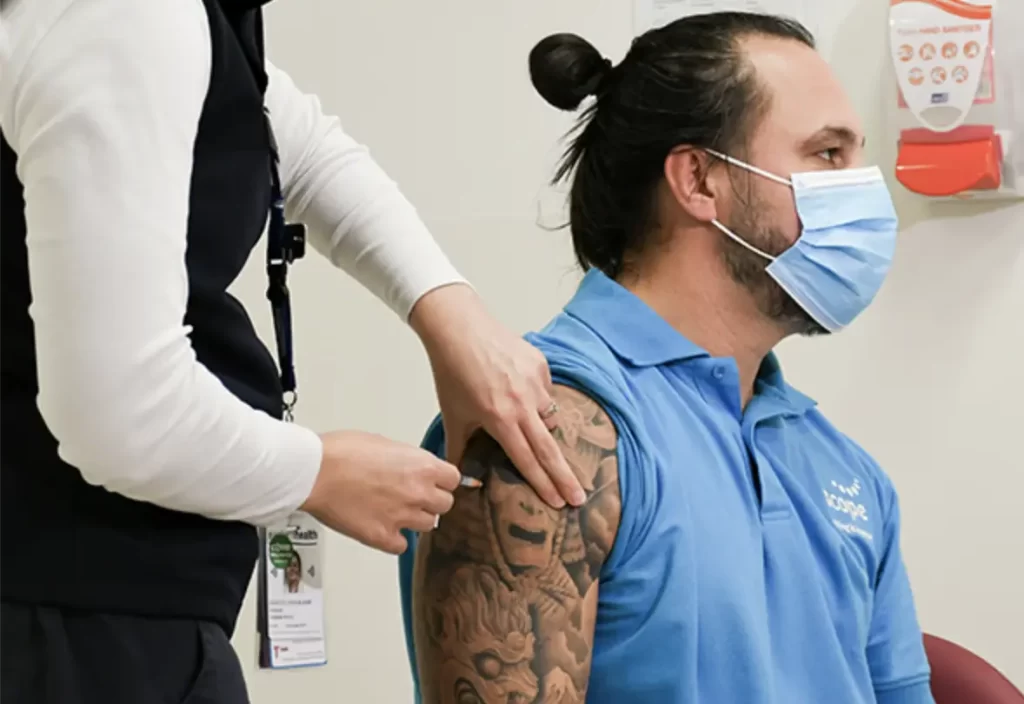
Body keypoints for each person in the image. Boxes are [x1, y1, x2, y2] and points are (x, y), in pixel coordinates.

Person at [0, 0, 586, 702]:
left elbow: (287, 134)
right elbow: (115, 415)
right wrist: (321, 472)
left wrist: (454, 318)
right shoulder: (127, 15)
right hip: (76, 621)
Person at [400, 12, 935, 704]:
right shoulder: (541, 425)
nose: (864, 191)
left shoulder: (845, 471)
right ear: (699, 181)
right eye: (827, 155)